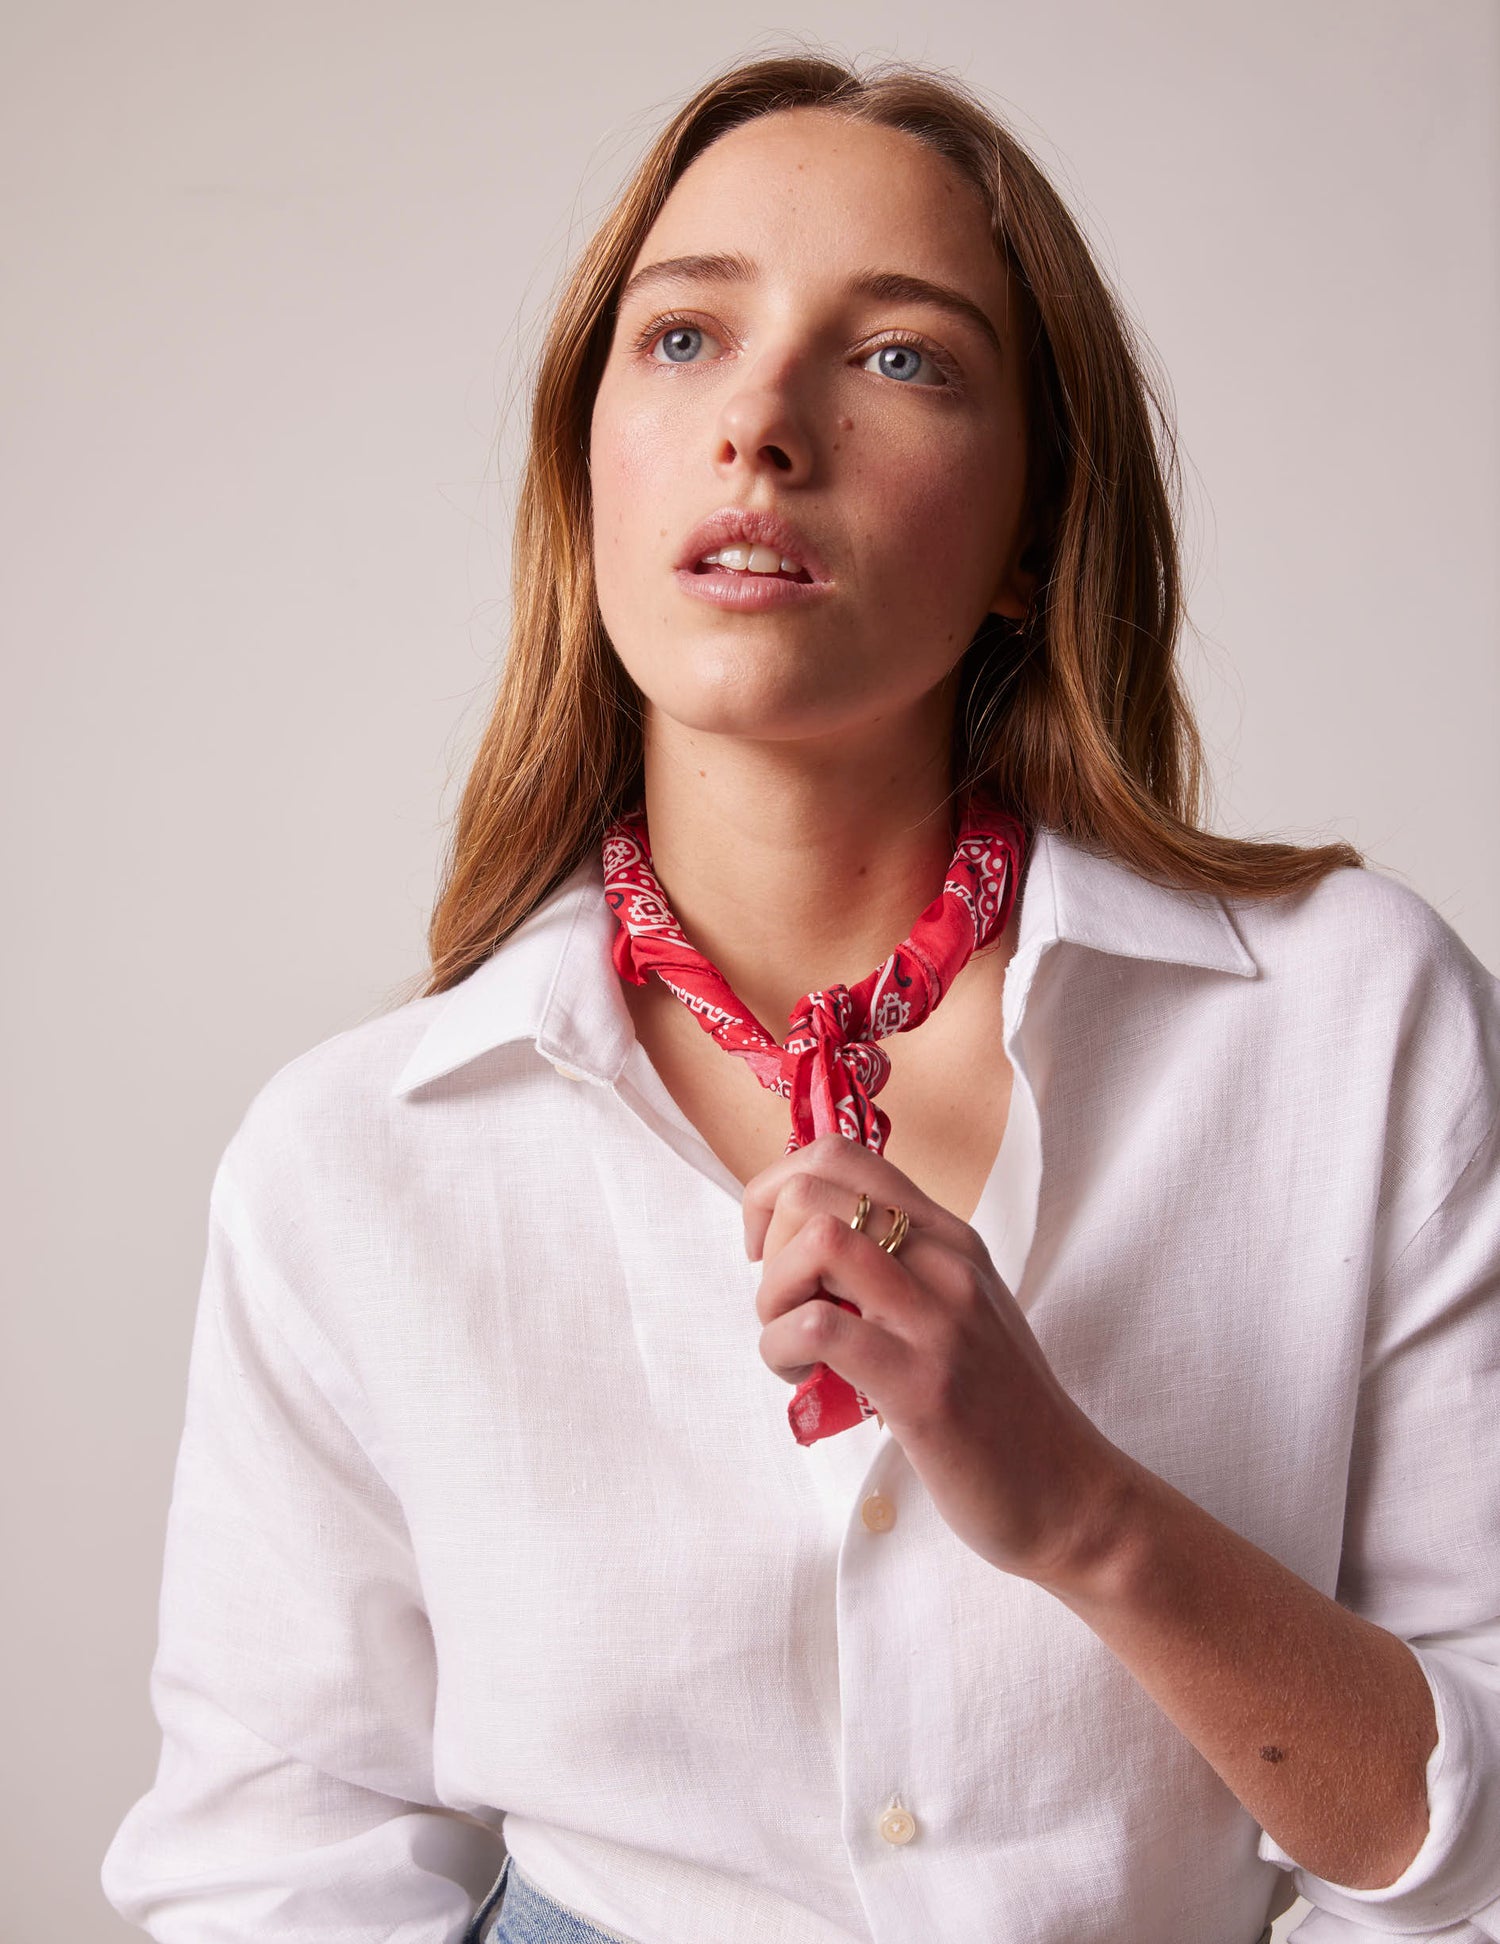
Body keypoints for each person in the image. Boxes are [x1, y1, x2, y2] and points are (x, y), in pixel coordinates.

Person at [101, 49, 1500, 1944]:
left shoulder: (1352, 1026)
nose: (761, 419)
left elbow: (1477, 1850)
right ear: (584, 462)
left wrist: (1083, 1513)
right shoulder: (351, 1164)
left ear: (1029, 537)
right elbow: (275, 1874)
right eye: (682, 340)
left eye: (901, 356)